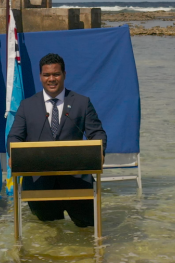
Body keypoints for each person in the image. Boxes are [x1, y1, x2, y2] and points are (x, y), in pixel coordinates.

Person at [7, 53, 107, 228]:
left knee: (88, 233)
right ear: (40, 77)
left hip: (77, 183)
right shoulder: (26, 106)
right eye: (46, 75)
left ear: (64, 75)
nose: (51, 79)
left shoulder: (82, 103)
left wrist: (99, 153)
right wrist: (13, 154)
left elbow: (97, 134)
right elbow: (14, 137)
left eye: (56, 74)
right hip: (39, 184)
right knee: (48, 236)